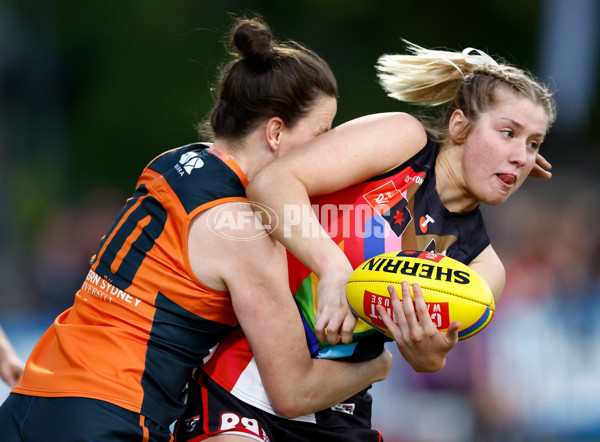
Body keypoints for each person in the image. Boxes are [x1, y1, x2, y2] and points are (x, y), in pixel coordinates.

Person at [0, 17, 394, 442]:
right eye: (322, 132)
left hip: (33, 395)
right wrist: (382, 362)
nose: (330, 146)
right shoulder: (246, 229)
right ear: (276, 131)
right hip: (108, 414)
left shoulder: (171, 161)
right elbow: (293, 392)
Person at [175, 40, 556, 441]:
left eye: (533, 144)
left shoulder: (483, 268)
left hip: (340, 408)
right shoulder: (403, 141)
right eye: (508, 133)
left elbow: (428, 360)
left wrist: (425, 351)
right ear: (459, 126)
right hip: (244, 379)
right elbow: (271, 184)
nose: (521, 156)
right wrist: (333, 267)